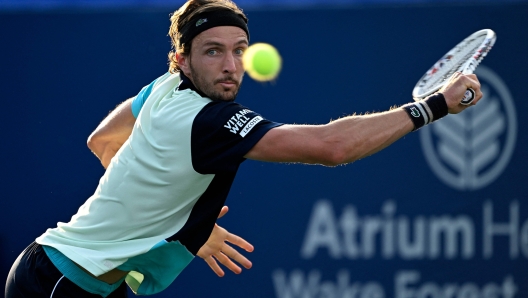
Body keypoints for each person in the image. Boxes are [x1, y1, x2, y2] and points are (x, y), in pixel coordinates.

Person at [5, 0, 483, 297]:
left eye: (239, 49)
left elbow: (103, 141)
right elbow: (330, 147)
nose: (231, 64)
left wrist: (167, 218)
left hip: (75, 277)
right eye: (213, 51)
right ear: (183, 60)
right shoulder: (208, 119)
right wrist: (433, 107)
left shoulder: (165, 88)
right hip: (60, 283)